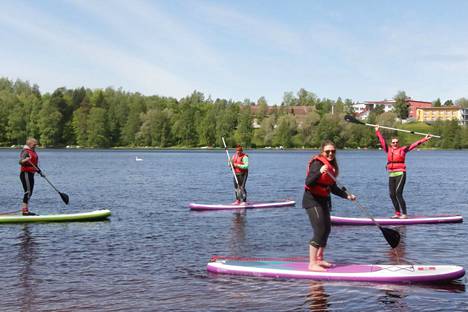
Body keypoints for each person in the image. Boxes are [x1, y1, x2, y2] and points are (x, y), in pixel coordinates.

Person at [303, 140, 356, 271]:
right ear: (322, 152)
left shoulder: (331, 166)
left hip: (323, 200)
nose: (331, 153)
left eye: (333, 151)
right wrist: (319, 172)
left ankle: (319, 259)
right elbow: (308, 182)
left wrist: (347, 196)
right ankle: (312, 263)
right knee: (319, 230)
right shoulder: (317, 163)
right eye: (328, 151)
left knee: (327, 229)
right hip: (312, 200)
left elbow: (332, 188)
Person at [375, 126, 431, 219]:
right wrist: (377, 131)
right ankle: (397, 213)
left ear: (398, 143)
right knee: (392, 194)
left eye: (396, 142)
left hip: (401, 173)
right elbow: (382, 141)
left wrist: (425, 139)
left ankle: (404, 214)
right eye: (393, 142)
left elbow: (414, 145)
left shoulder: (403, 150)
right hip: (391, 173)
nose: (395, 144)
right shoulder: (387, 149)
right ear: (391, 143)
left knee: (398, 193)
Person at [19, 138, 42, 216]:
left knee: (30, 192)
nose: (35, 145)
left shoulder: (33, 152)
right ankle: (25, 211)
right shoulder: (25, 151)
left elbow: (34, 165)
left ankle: (25, 210)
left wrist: (39, 171)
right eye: (34, 144)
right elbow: (20, 162)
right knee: (28, 192)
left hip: (31, 174)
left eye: (36, 144)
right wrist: (26, 160)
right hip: (25, 173)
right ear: (29, 144)